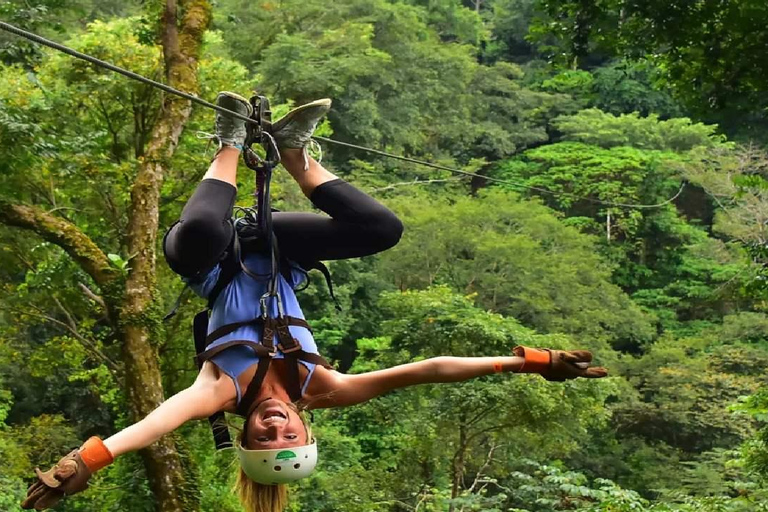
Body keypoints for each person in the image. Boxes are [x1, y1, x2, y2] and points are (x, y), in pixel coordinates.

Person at [21, 93, 608, 512]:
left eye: (264, 439)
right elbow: (430, 372)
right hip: (281, 249)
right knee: (381, 229)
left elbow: (150, 427)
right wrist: (534, 362)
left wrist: (82, 464)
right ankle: (295, 154)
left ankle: (227, 143)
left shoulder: (218, 393)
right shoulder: (324, 388)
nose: (275, 427)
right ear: (306, 429)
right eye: (289, 437)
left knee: (199, 228)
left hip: (211, 256)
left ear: (246, 437)